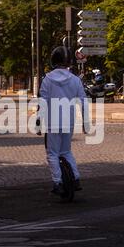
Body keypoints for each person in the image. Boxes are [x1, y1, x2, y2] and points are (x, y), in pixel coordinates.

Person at [37, 46, 87, 196]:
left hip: (53, 121)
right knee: (66, 151)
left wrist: (39, 123)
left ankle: (57, 182)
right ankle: (76, 179)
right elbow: (83, 102)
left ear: (54, 60)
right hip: (69, 121)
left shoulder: (47, 79)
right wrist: (86, 122)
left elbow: (43, 103)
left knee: (52, 153)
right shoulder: (76, 80)